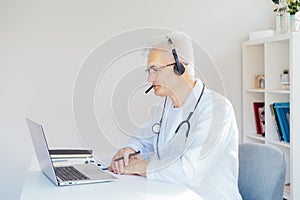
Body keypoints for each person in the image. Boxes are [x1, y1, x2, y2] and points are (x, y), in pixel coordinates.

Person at [110, 31, 242, 200]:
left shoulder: (217, 109)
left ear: (180, 67)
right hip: (170, 194)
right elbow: (143, 139)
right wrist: (128, 151)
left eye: (155, 70)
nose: (150, 79)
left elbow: (189, 171)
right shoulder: (164, 107)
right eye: (148, 71)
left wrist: (140, 167)